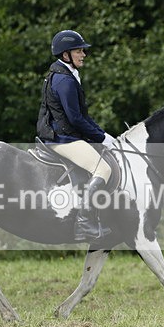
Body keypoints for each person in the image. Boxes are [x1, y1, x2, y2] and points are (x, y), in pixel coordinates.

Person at [36, 29, 117, 241]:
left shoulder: (66, 75)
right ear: (66, 55)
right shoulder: (65, 81)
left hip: (64, 134)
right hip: (62, 138)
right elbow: (75, 119)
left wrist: (102, 134)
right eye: (79, 51)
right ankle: (84, 222)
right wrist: (101, 138)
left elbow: (83, 116)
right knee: (103, 168)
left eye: (82, 51)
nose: (83, 55)